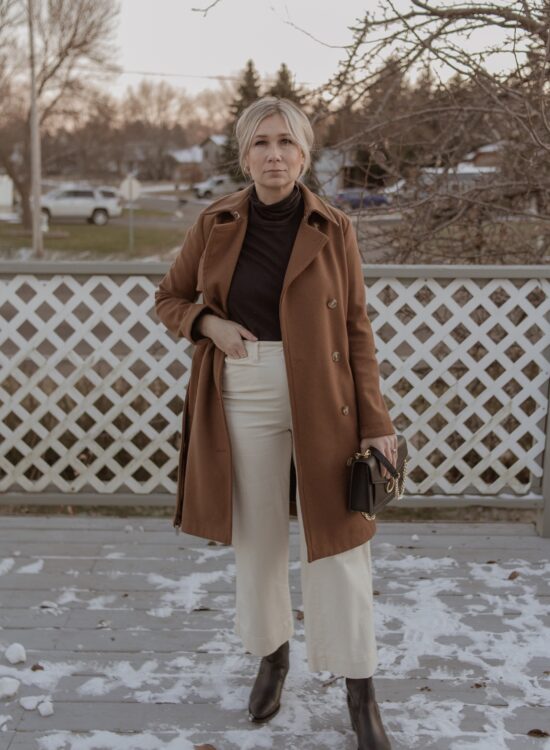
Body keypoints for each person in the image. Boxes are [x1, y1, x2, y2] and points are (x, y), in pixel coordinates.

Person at [154, 96, 396, 749]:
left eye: (286, 143)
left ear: (305, 152)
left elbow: (356, 328)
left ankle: (360, 684)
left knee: (341, 544)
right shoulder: (217, 220)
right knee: (258, 540)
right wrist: (208, 323)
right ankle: (272, 655)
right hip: (245, 388)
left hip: (325, 395)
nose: (274, 155)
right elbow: (170, 298)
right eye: (261, 142)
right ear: (244, 152)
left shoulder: (334, 226)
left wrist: (376, 421)